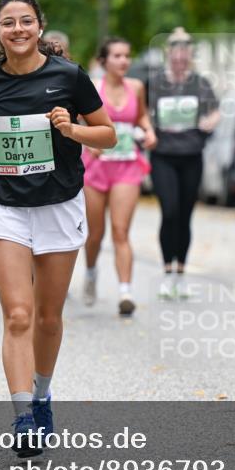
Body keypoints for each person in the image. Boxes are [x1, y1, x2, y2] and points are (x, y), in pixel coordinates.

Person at [0, 0, 114, 456]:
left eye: (26, 21)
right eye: (8, 23)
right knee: (19, 315)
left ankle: (43, 393)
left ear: (40, 27)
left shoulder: (69, 77)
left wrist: (71, 131)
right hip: (5, 206)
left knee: (48, 318)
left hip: (59, 205)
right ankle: (23, 415)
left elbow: (107, 134)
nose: (18, 30)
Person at [81, 37, 156, 315]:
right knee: (95, 233)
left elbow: (142, 117)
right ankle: (90, 272)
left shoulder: (136, 87)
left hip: (126, 165)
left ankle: (125, 291)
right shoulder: (92, 88)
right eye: (117, 56)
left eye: (127, 56)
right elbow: (77, 122)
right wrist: (88, 142)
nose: (124, 61)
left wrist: (149, 131)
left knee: (121, 231)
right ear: (104, 61)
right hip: (96, 168)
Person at [146, 27, 220, 299]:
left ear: (189, 56)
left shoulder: (200, 83)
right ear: (169, 54)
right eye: (176, 53)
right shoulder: (155, 83)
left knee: (185, 215)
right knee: (170, 211)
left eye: (185, 54)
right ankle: (167, 273)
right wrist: (148, 130)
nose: (180, 59)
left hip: (191, 155)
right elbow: (142, 113)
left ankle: (181, 273)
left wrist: (209, 122)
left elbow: (215, 112)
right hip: (163, 155)